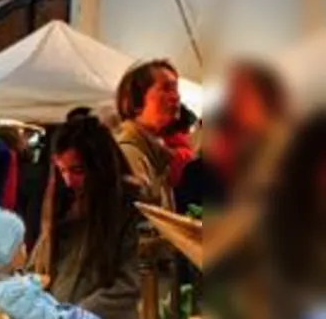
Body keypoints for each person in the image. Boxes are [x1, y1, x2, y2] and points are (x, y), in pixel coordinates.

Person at [35, 115, 143, 319]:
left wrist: (75, 318)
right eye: (62, 170)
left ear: (99, 165)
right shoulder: (63, 201)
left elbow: (129, 283)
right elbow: (42, 265)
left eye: (77, 170)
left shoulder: (128, 203)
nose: (68, 180)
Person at [178, 60, 290, 213]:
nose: (234, 104)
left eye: (245, 96)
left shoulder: (287, 161)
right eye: (232, 94)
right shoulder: (199, 171)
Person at [114, 59, 182, 208]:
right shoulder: (128, 153)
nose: (176, 97)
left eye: (176, 89)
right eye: (165, 89)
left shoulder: (155, 153)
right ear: (137, 101)